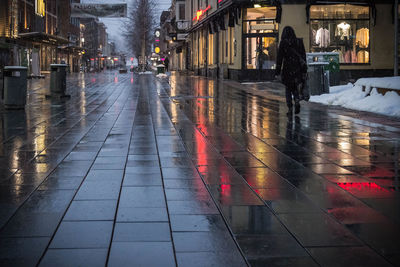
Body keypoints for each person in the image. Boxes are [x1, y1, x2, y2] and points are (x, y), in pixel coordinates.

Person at [275, 26, 307, 115]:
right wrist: (304, 70)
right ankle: (296, 100)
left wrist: (277, 71)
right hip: (297, 69)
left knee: (288, 89)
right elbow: (303, 56)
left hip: (287, 69)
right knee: (295, 86)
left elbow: (279, 58)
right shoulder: (299, 42)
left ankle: (290, 108)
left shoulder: (283, 43)